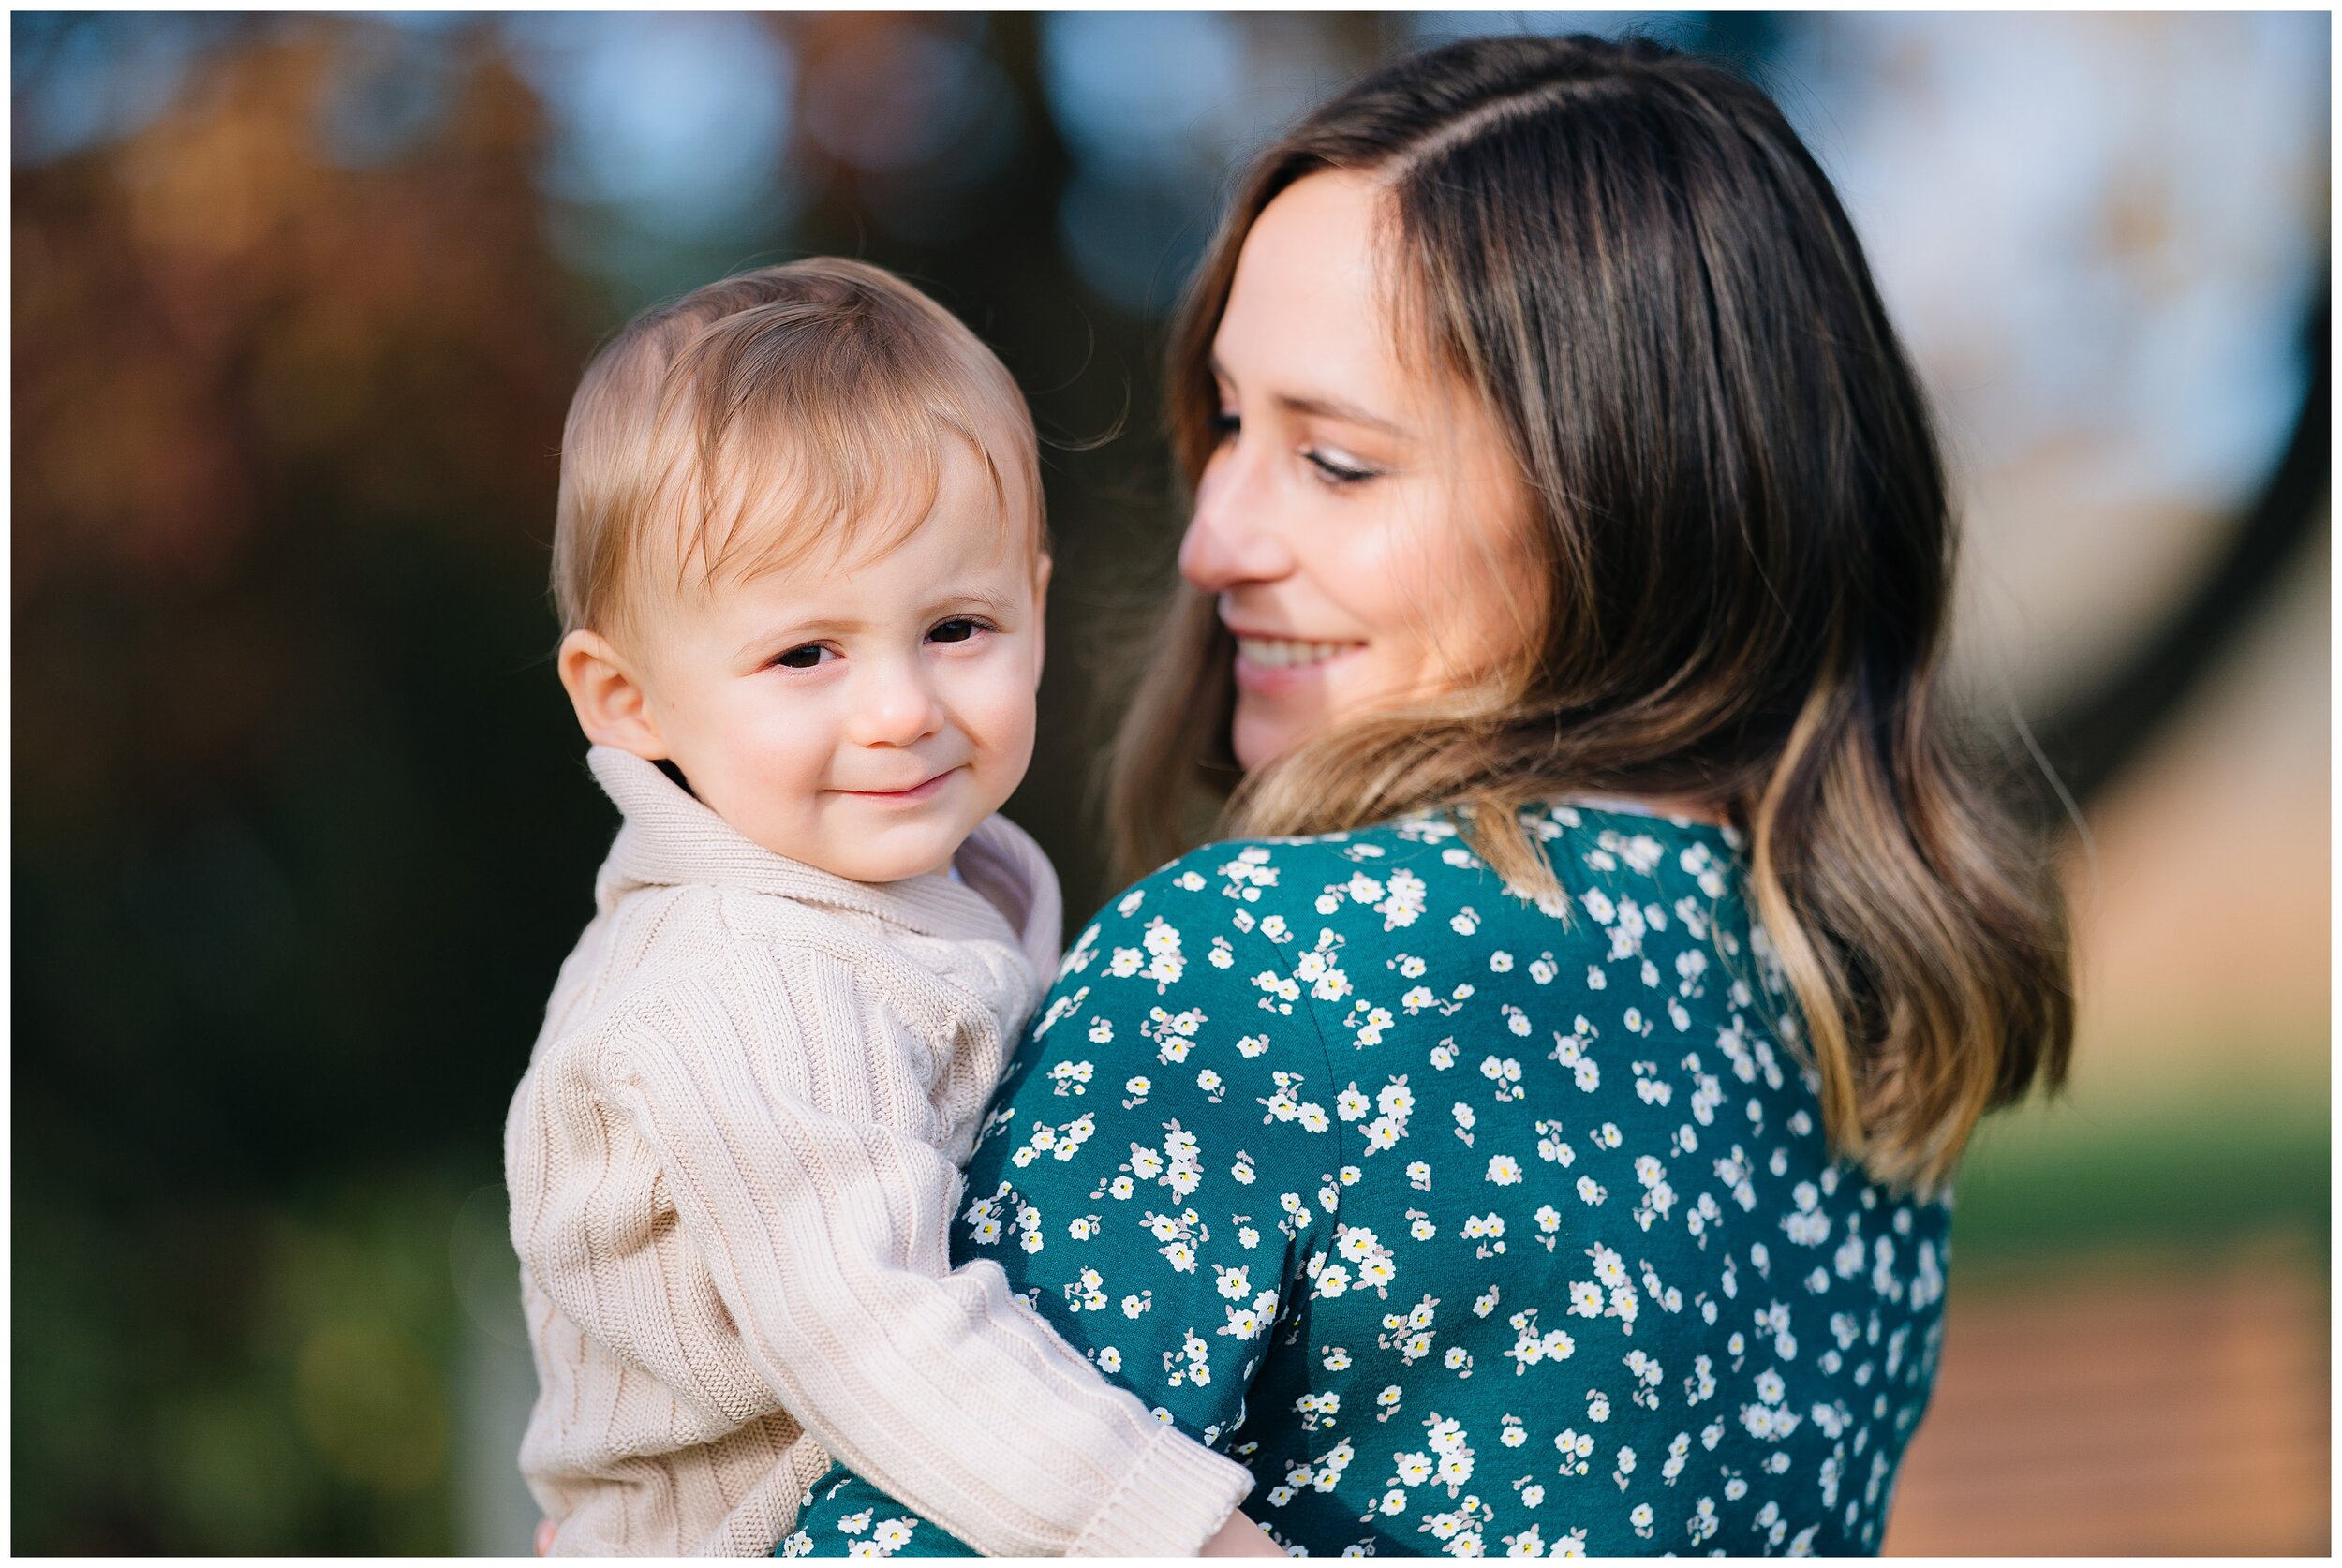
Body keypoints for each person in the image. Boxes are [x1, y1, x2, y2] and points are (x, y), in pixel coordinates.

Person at [786, 34, 2072, 1558]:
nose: (1214, 540)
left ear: (1630, 495)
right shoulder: (1855, 1005)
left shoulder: (1264, 970)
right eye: (1229, 421)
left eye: (1335, 461)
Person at [506, 258, 1277, 1556]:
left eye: (959, 627)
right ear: (627, 699)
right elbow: (879, 1332)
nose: (901, 707)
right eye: (808, 653)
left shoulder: (913, 896)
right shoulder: (740, 976)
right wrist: (1188, 1537)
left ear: (1036, 600)